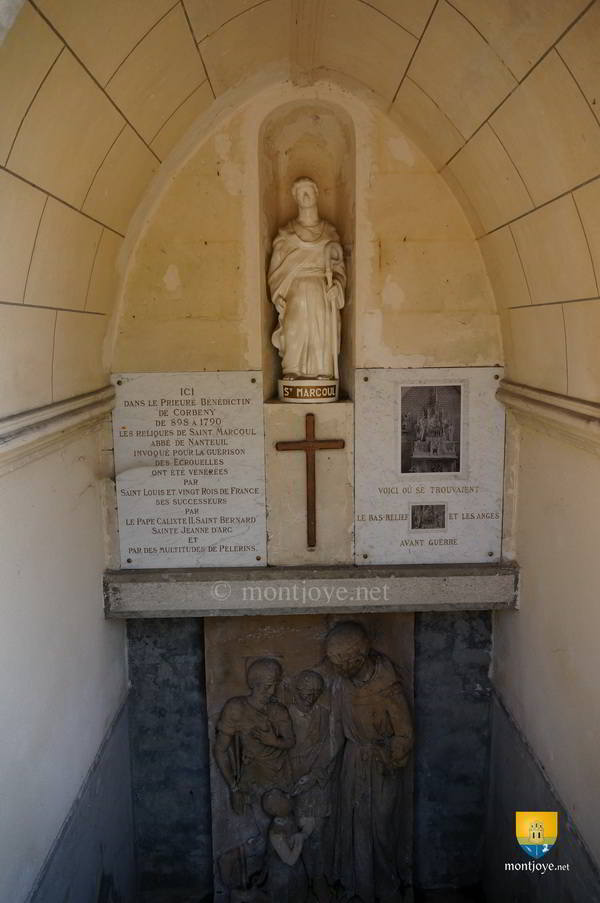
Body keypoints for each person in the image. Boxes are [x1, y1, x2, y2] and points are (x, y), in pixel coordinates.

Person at [324, 622, 413, 903]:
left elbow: (405, 733)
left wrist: (391, 757)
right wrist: (321, 766)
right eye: (333, 661)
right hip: (353, 760)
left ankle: (386, 888)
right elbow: (336, 730)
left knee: (381, 829)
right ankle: (357, 886)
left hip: (381, 762)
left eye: (342, 660)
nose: (337, 666)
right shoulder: (341, 683)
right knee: (352, 824)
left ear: (359, 657)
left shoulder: (386, 684)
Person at [268, 177, 346, 380]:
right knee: (294, 330)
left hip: (321, 288)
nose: (305, 195)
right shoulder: (286, 234)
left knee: (321, 332)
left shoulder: (329, 233)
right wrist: (278, 295)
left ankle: (324, 372)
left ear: (316, 194)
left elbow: (338, 266)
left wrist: (337, 286)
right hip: (295, 290)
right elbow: (276, 270)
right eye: (300, 192)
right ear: (295, 198)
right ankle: (292, 370)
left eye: (308, 191)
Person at [214, 658, 295, 816]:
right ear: (254, 683)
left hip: (282, 776)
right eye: (267, 686)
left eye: (274, 685)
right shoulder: (236, 708)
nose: (272, 691)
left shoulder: (278, 710)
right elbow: (220, 750)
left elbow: (290, 741)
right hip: (254, 776)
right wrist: (233, 787)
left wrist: (273, 741)